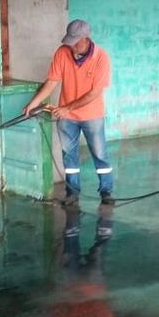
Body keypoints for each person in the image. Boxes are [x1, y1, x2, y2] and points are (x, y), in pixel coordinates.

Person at [24, 19, 114, 205]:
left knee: (100, 154)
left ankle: (106, 191)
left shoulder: (101, 58)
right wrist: (34, 103)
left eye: (75, 42)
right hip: (67, 118)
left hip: (92, 115)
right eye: (69, 41)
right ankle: (72, 192)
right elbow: (52, 82)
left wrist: (67, 108)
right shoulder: (62, 53)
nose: (71, 46)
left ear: (86, 38)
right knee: (69, 155)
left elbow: (95, 93)